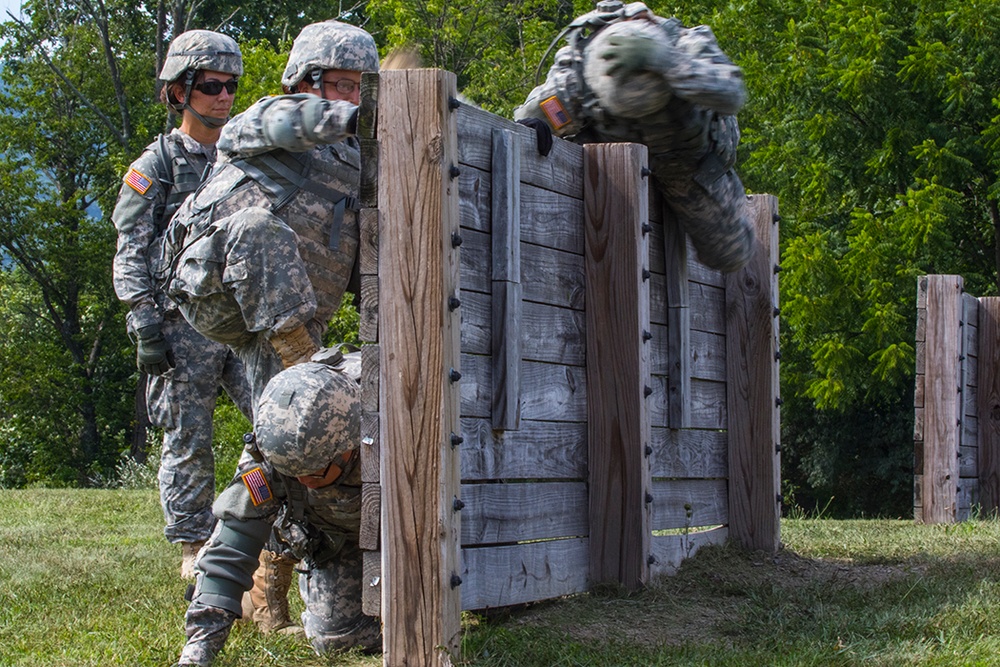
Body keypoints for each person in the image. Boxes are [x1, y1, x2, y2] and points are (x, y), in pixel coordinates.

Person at [160, 20, 380, 662]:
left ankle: (273, 585)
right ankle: (232, 592)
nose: (352, 98)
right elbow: (297, 125)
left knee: (287, 440)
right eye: (339, 83)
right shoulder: (264, 119)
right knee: (257, 226)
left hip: (286, 325)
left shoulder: (355, 155)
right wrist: (350, 114)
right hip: (220, 287)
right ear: (305, 81)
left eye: (360, 87)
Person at [111, 29, 253, 579]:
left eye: (231, 86)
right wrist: (145, 326)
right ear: (180, 92)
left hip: (238, 322)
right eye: (212, 85)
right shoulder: (158, 164)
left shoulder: (241, 155)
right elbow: (130, 250)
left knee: (277, 419)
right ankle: (195, 550)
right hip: (180, 325)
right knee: (188, 438)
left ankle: (280, 535)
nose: (224, 96)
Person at [514, 0, 755, 274]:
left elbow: (732, 92)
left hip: (687, 164)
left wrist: (665, 60)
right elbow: (532, 118)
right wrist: (534, 128)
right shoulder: (577, 79)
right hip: (612, 161)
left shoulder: (684, 43)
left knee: (731, 255)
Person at [174, 347, 379, 666]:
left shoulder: (386, 429)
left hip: (415, 536)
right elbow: (230, 549)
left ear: (348, 448)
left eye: (314, 472)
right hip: (342, 538)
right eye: (293, 473)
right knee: (337, 639)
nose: (303, 481)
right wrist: (198, 650)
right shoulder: (271, 451)